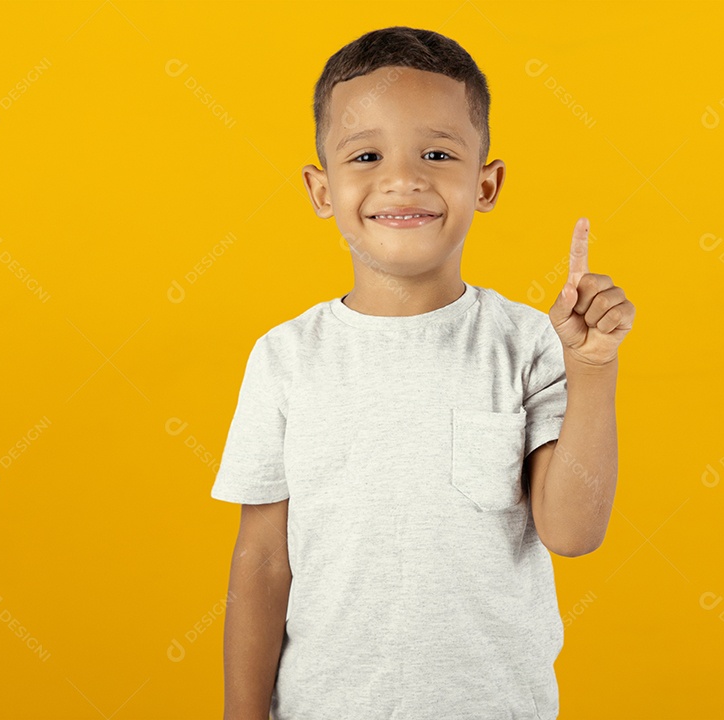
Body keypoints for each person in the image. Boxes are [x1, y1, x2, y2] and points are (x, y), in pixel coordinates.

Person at [210, 25, 635, 720]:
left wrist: (592, 367)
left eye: (437, 153)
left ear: (486, 182)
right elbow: (261, 563)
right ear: (322, 189)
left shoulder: (531, 341)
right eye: (367, 154)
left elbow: (572, 531)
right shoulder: (284, 357)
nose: (402, 179)